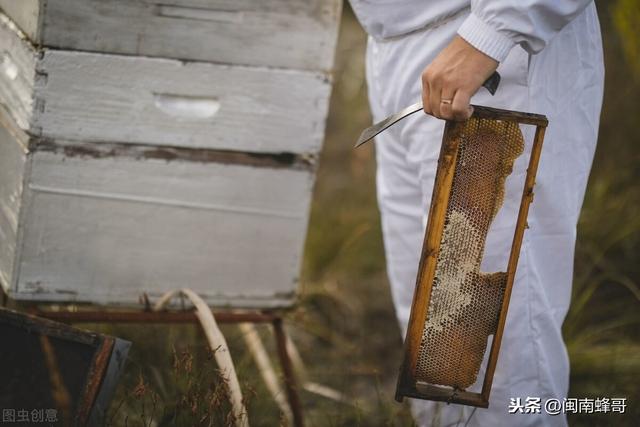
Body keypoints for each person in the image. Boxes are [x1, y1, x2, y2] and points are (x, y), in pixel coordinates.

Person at [349, 1, 604, 425]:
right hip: (392, 47)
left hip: (492, 48)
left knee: (501, 353)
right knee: (433, 340)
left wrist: (490, 34)